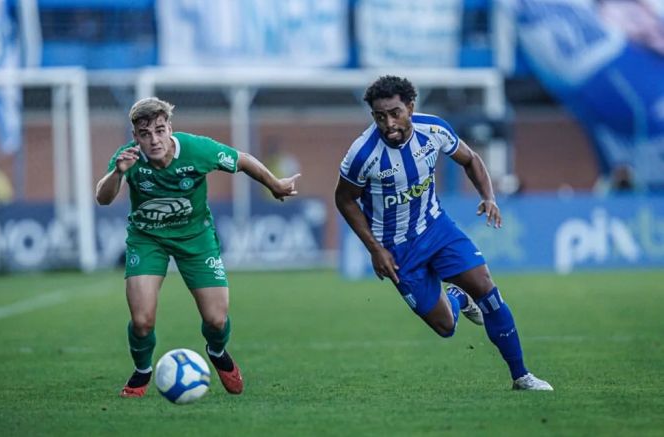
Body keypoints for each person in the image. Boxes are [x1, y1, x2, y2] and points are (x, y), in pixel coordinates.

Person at [335, 75, 552, 391]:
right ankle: (456, 299)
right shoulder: (362, 154)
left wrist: (488, 197)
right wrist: (375, 248)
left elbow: (471, 159)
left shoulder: (434, 130)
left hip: (436, 228)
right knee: (445, 327)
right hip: (396, 249)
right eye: (380, 116)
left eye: (395, 113)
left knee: (487, 290)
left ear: (410, 106)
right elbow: (344, 199)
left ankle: (521, 376)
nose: (388, 123)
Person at [95, 97, 300, 397]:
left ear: (170, 129)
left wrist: (274, 184)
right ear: (135, 137)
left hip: (196, 238)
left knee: (216, 319)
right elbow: (103, 198)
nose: (154, 140)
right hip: (147, 237)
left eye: (160, 131)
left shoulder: (196, 150)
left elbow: (241, 159)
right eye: (145, 134)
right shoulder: (129, 158)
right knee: (141, 321)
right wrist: (118, 172)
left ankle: (217, 352)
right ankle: (142, 371)